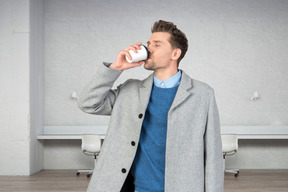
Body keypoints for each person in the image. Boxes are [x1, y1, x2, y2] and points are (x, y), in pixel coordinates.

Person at [78, 20, 223, 192]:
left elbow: (213, 155)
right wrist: (115, 68)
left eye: (157, 45)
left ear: (175, 54)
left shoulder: (202, 94)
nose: (148, 49)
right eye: (148, 44)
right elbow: (88, 103)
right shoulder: (130, 90)